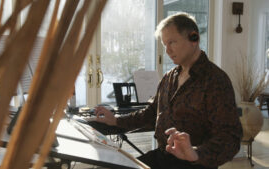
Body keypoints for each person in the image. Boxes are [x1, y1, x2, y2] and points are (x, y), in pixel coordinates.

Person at [94, 12, 242, 169]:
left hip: (195, 164)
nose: (167, 51)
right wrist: (115, 120)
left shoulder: (215, 80)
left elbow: (230, 138)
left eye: (172, 42)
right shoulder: (169, 77)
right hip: (163, 157)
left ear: (194, 38)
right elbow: (150, 113)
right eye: (165, 45)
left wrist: (195, 153)